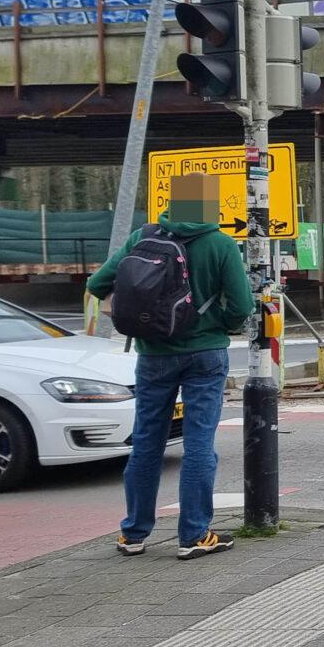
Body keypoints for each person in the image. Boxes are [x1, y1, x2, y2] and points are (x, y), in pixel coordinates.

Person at [87, 174, 253, 561]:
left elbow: (97, 283)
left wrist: (139, 314)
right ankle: (194, 534)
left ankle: (133, 534)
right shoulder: (220, 244)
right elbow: (242, 307)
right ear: (210, 205)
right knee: (198, 443)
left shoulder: (142, 238)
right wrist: (220, 326)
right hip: (205, 355)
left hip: (152, 354)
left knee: (146, 442)